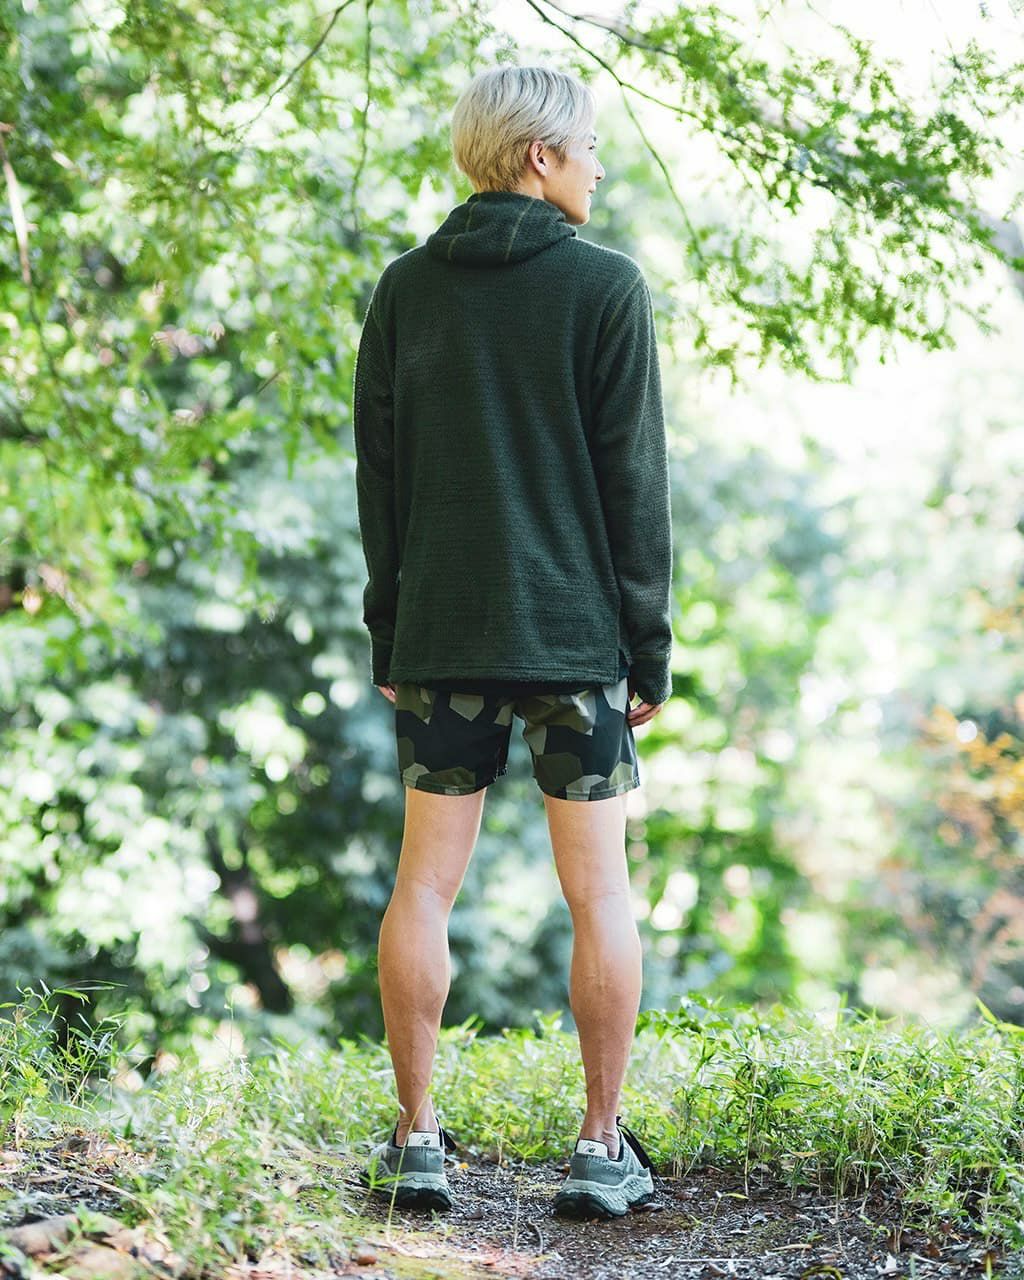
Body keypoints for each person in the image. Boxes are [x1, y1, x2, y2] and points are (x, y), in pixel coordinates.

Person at [352, 64, 673, 1219]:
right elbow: (634, 483)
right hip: (575, 646)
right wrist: (648, 647)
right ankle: (598, 1146)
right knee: (601, 893)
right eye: (587, 145)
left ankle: (415, 1139)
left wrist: (391, 630)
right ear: (540, 155)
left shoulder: (404, 289)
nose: (600, 164)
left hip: (442, 638)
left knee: (422, 885)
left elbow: (379, 478)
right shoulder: (607, 286)